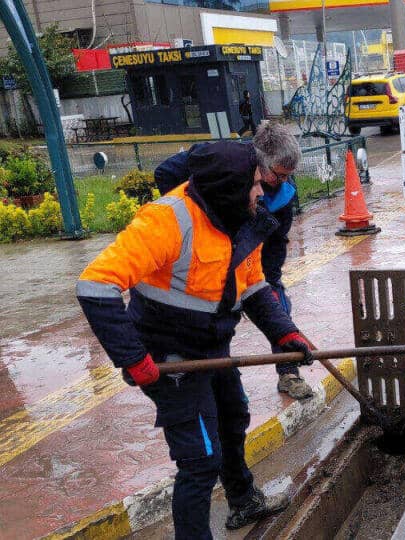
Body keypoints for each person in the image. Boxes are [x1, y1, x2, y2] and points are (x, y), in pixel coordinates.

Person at [77, 141, 314, 538]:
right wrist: (134, 358)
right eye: (256, 184)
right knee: (200, 460)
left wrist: (283, 331)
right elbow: (94, 286)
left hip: (210, 347)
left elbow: (253, 285)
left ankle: (244, 501)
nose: (263, 192)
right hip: (167, 357)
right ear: (230, 188)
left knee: (233, 416)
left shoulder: (243, 218)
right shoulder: (167, 220)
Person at [155, 123, 313, 400]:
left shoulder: (283, 194)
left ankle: (289, 371)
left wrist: (269, 277)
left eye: (289, 176)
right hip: (213, 246)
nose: (284, 182)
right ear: (259, 163)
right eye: (279, 175)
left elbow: (277, 240)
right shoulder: (220, 159)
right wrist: (199, 214)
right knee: (214, 308)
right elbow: (164, 173)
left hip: (254, 247)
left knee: (274, 300)